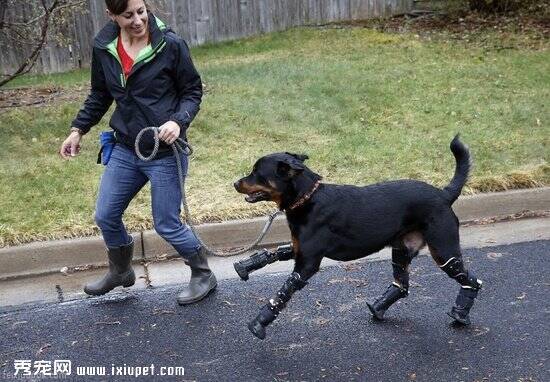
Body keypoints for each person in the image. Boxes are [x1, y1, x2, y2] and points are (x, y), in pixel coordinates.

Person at [59, 0, 217, 305]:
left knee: (167, 223)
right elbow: (101, 93)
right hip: (125, 147)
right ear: (112, 15)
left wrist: (178, 121)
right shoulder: (104, 46)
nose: (137, 20)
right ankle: (120, 271)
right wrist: (78, 129)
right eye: (128, 15)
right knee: (105, 215)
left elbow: (192, 91)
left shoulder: (170, 44)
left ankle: (202, 273)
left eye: (141, 12)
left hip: (165, 150)